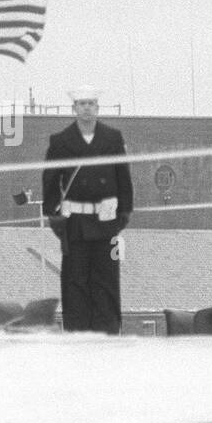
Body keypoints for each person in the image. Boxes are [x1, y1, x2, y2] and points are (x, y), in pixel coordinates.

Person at [41, 85, 133, 334]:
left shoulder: (113, 138)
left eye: (91, 103)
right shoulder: (61, 141)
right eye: (82, 104)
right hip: (75, 225)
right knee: (75, 281)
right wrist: (53, 214)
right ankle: (77, 332)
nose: (87, 108)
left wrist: (124, 212)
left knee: (108, 279)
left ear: (98, 108)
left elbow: (123, 176)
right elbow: (50, 179)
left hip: (107, 224)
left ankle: (109, 331)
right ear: (74, 108)